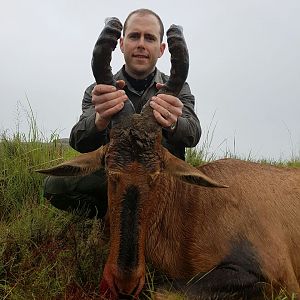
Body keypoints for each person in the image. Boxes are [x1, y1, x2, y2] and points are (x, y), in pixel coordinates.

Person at [44, 8, 201, 218]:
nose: (141, 44)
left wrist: (173, 122)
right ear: (121, 43)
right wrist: (100, 119)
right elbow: (79, 141)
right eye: (134, 36)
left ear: (162, 49)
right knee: (55, 186)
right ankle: (111, 216)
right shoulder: (98, 90)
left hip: (161, 176)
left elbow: (193, 134)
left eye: (150, 38)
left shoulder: (179, 89)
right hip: (115, 176)